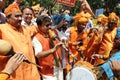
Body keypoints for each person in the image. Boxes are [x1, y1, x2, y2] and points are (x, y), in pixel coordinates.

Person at [0, 3, 40, 80]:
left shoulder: (25, 29)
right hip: (13, 75)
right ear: (8, 18)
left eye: (20, 16)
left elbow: (37, 28)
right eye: (16, 16)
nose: (20, 18)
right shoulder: (2, 29)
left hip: (31, 74)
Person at [32, 15, 64, 80]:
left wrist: (63, 41)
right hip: (48, 71)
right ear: (39, 26)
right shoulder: (37, 38)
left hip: (59, 67)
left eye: (50, 25)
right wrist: (53, 50)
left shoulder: (53, 32)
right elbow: (38, 54)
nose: (49, 27)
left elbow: (62, 39)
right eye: (47, 25)